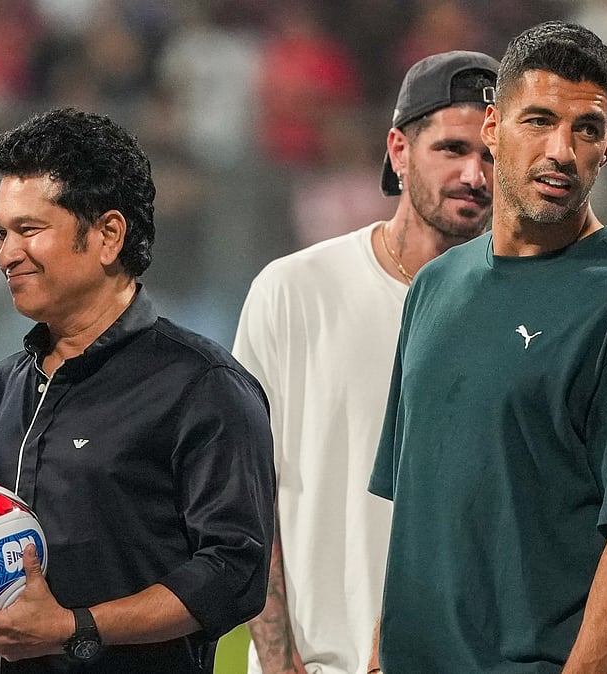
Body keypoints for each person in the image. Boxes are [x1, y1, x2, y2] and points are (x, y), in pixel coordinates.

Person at [368, 21, 607, 674]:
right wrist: (382, 651)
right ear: (493, 129)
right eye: (539, 121)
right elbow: (421, 506)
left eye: (587, 129)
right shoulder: (434, 287)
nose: (562, 152)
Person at [0, 107, 276, 672]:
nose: (6, 254)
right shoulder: (0, 388)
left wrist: (73, 629)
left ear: (109, 235)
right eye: (1, 232)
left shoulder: (204, 386)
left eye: (29, 230)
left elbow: (234, 573)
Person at [232, 50, 497, 674]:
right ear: (399, 151)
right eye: (452, 149)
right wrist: (280, 662)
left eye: (492, 155)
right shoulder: (293, 292)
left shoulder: (523, 314)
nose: (474, 175)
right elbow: (243, 493)